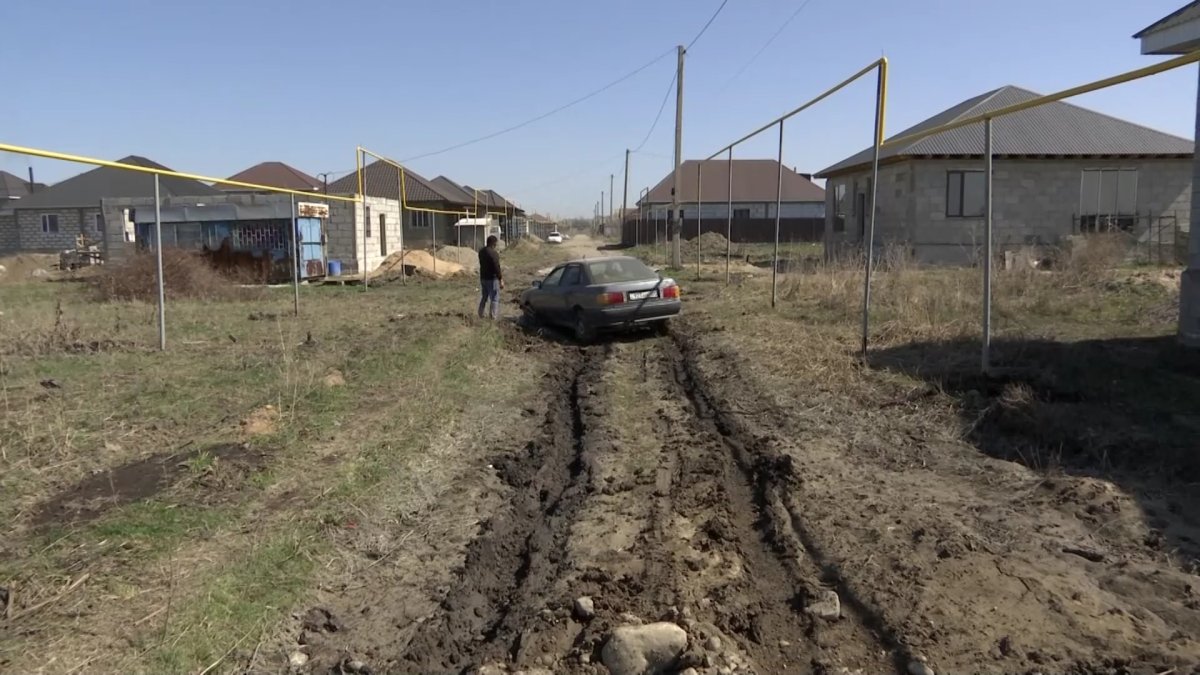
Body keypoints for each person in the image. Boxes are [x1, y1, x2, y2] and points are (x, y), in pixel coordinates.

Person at [478, 235, 504, 319]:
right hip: (492, 279)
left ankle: (480, 313)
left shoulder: (481, 252)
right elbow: (497, 267)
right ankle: (493, 316)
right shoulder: (493, 254)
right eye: (495, 244)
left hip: (483, 277)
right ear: (493, 244)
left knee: (484, 296)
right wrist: (500, 279)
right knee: (494, 298)